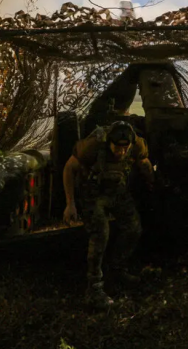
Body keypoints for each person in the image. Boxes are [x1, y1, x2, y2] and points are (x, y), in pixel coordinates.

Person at [62, 120, 154, 308]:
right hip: (93, 194)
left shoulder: (137, 145)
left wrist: (152, 184)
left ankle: (118, 270)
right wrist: (70, 204)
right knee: (100, 234)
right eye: (117, 148)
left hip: (117, 191)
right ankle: (94, 288)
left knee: (133, 227)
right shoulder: (92, 146)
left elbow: (144, 163)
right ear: (109, 142)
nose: (121, 152)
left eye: (125, 149)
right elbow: (69, 168)